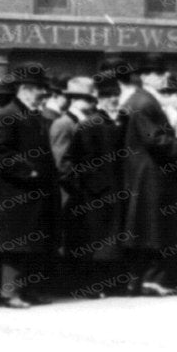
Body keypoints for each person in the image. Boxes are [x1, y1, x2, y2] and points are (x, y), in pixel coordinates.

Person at [117, 54, 177, 296]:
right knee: (154, 227)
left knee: (147, 227)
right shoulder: (144, 103)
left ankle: (145, 280)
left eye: (163, 71)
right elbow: (158, 142)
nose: (162, 75)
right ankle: (152, 280)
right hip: (151, 173)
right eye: (156, 72)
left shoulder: (139, 100)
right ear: (143, 76)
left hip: (144, 171)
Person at [0, 63, 58, 308]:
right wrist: (29, 170)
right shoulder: (8, 114)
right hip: (17, 191)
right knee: (15, 245)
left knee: (33, 244)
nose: (43, 94)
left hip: (36, 192)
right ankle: (11, 292)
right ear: (26, 89)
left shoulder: (34, 114)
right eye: (40, 89)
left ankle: (29, 289)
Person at [58, 76, 124, 298]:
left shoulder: (120, 123)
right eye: (108, 96)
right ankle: (91, 286)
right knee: (93, 242)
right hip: (94, 193)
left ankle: (107, 283)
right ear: (99, 100)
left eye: (116, 96)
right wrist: (82, 189)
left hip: (112, 190)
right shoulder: (89, 126)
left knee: (108, 241)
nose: (113, 100)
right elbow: (70, 162)